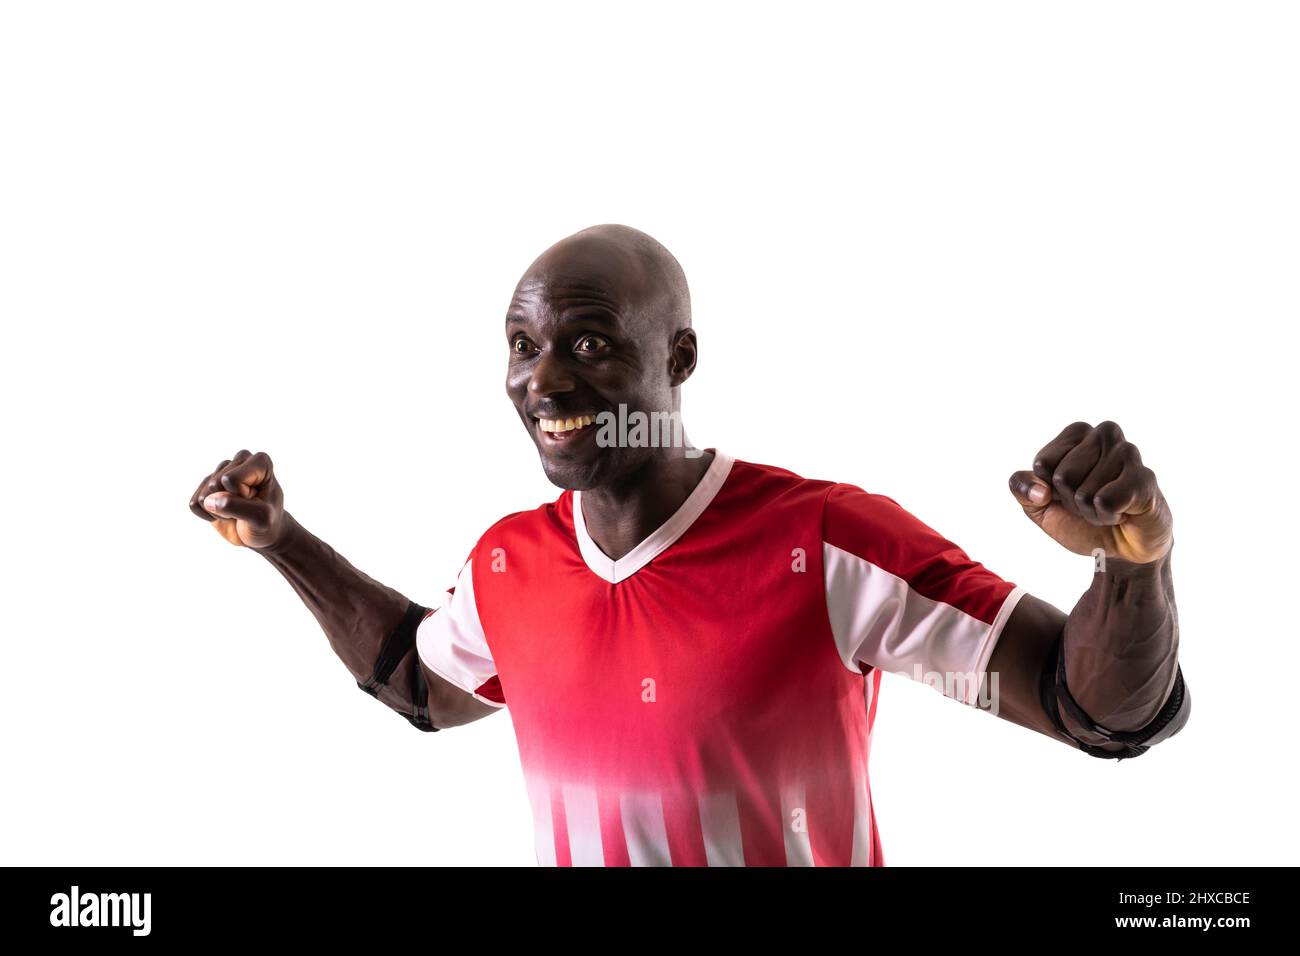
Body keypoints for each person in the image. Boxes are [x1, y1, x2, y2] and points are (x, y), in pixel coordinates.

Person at [189, 224, 1189, 866]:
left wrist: (1132, 563)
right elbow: (420, 679)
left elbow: (1091, 704)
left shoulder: (826, 537)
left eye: (588, 342)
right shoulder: (506, 566)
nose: (544, 379)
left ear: (679, 356)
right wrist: (283, 539)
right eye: (523, 345)